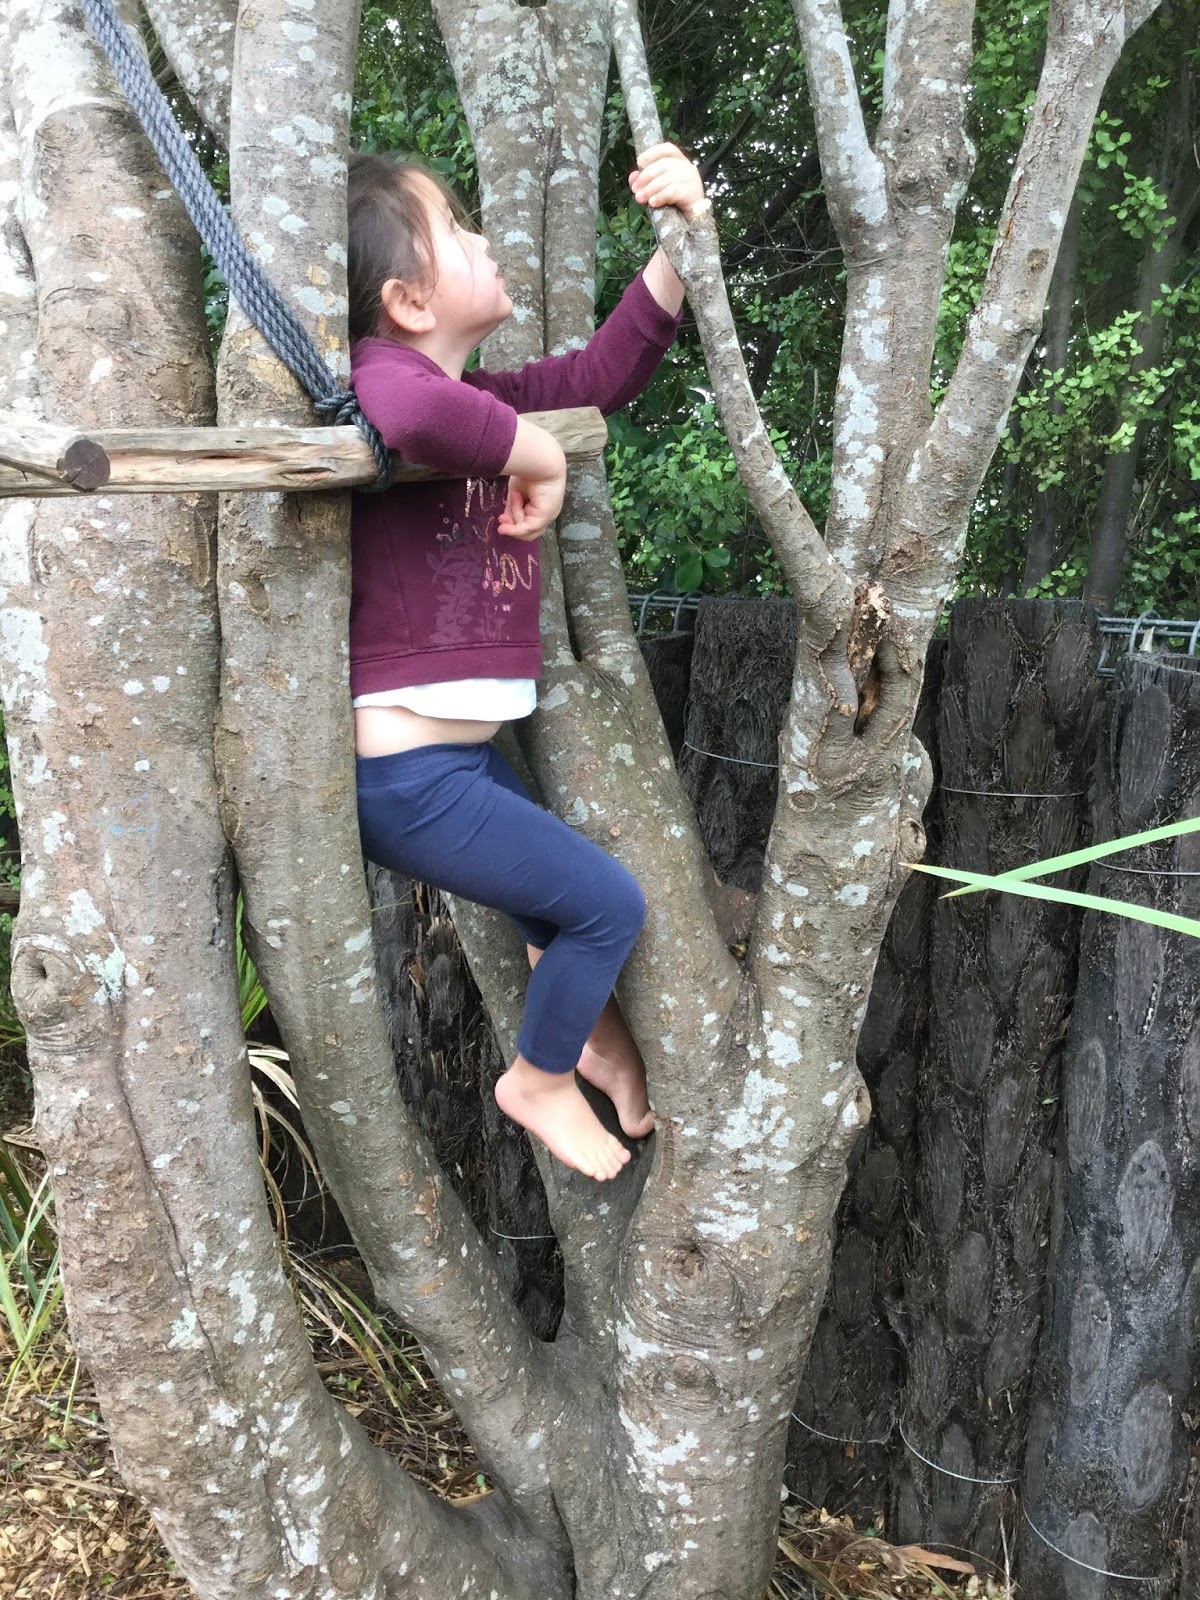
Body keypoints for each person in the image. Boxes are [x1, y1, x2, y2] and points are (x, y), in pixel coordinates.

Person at [347, 141, 706, 1181]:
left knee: (558, 906)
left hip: (451, 766)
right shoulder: (386, 383)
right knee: (608, 904)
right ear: (409, 300)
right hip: (407, 779)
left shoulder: (488, 400)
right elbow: (411, 410)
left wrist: (681, 241)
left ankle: (597, 1046)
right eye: (457, 229)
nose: (483, 237)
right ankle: (538, 1079)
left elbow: (601, 375)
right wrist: (537, 454)